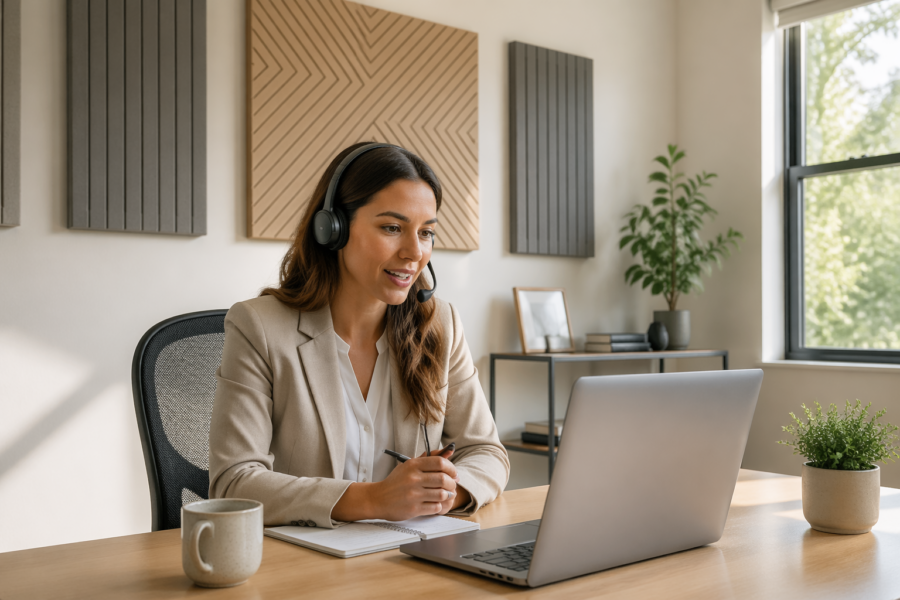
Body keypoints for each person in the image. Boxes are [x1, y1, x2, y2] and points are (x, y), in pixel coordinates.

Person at [209, 143, 509, 528]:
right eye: (392, 228)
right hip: (303, 568)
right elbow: (232, 481)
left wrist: (448, 491)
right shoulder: (259, 328)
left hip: (405, 560)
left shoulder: (440, 326)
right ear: (332, 228)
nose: (414, 253)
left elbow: (486, 451)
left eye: (426, 233)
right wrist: (374, 499)